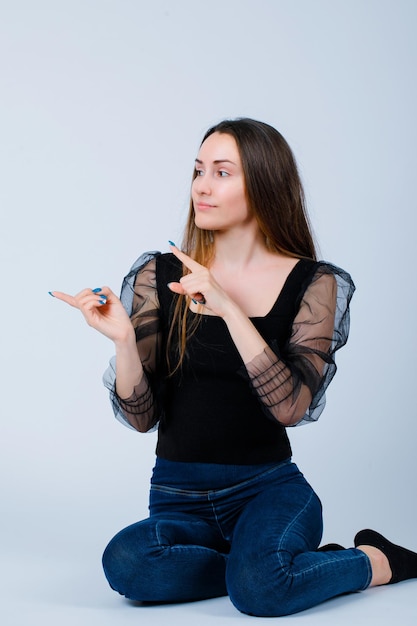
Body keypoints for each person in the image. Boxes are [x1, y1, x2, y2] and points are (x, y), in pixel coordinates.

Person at [50, 118, 417, 617]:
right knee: (127, 564)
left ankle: (373, 559)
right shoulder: (159, 274)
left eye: (222, 172)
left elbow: (290, 407)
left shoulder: (314, 282)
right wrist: (123, 343)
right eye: (199, 170)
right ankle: (267, 566)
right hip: (177, 497)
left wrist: (228, 307)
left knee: (259, 593)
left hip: (268, 491)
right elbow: (141, 417)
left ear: (264, 184)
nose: (202, 185)